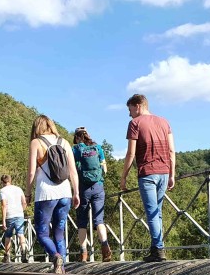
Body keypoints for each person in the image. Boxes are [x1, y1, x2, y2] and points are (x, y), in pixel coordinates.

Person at [119, 94, 175, 262]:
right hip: (164, 172)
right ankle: (156, 247)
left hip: (147, 173)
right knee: (157, 212)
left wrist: (124, 177)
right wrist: (172, 174)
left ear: (137, 106)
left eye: (130, 110)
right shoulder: (164, 122)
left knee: (152, 213)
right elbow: (172, 150)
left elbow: (131, 153)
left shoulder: (134, 123)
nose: (129, 114)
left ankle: (158, 250)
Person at [25, 115, 80, 274]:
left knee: (42, 233)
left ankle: (56, 257)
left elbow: (31, 172)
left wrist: (28, 193)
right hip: (65, 194)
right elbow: (73, 172)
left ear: (36, 127)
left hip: (45, 195)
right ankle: (61, 270)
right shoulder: (64, 142)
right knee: (59, 233)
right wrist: (76, 192)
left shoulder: (36, 142)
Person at [72, 127, 112, 262]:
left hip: (83, 189)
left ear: (77, 138)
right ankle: (105, 247)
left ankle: (84, 253)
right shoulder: (97, 147)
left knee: (82, 223)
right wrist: (99, 178)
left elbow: (71, 167)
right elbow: (104, 168)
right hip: (98, 187)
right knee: (99, 220)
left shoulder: (77, 149)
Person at [0, 174, 28, 263]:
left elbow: (4, 206)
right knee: (20, 234)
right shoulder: (18, 189)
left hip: (9, 215)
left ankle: (7, 256)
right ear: (10, 180)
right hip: (19, 214)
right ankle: (24, 252)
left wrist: (3, 221)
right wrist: (21, 211)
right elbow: (24, 202)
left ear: (2, 182)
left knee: (8, 236)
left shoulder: (2, 191)